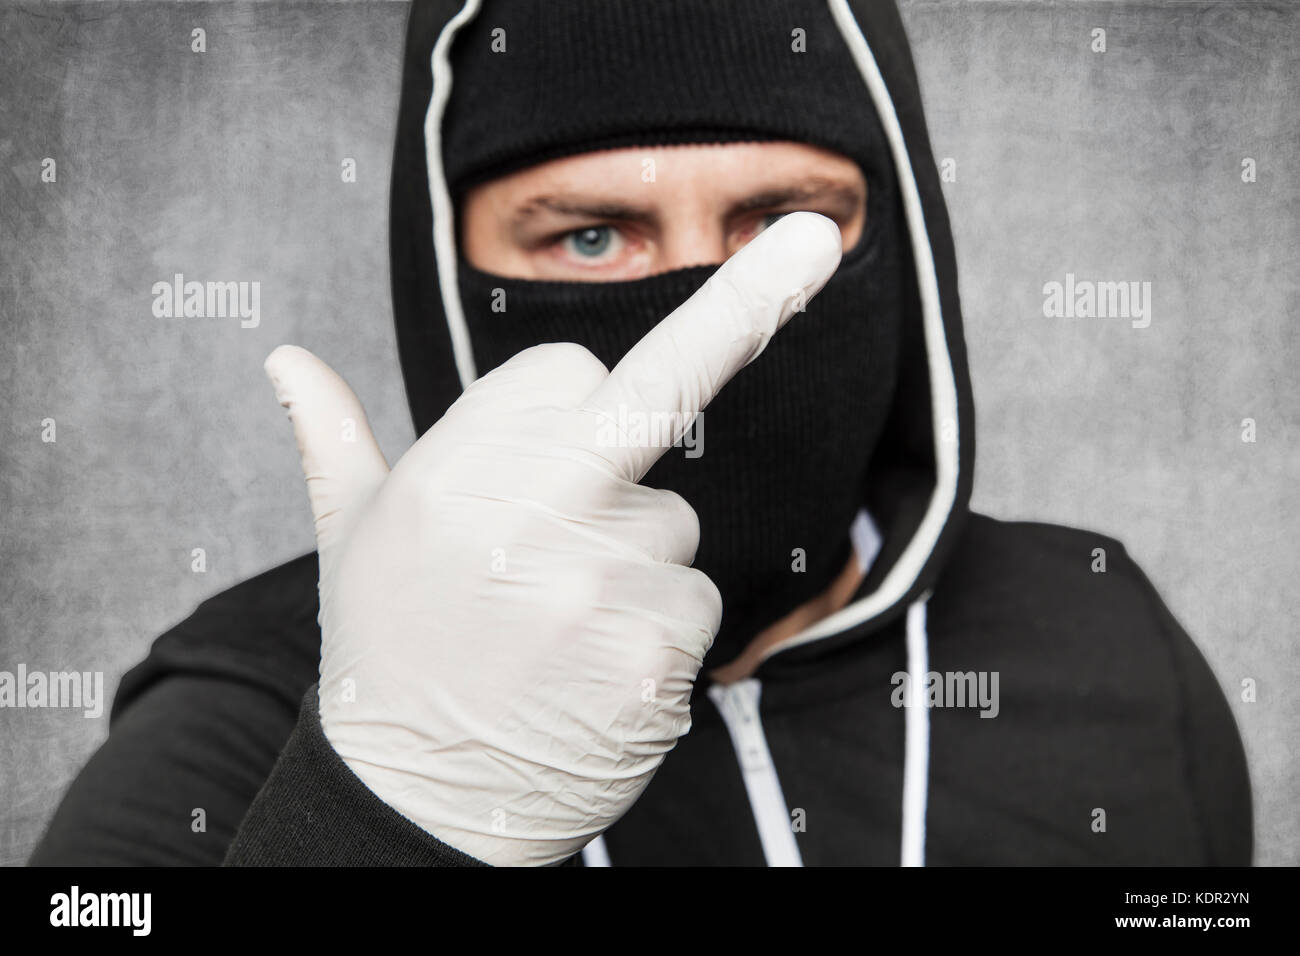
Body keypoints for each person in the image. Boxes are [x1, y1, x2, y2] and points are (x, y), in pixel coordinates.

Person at [30, 0, 1251, 867]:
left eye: (782, 222)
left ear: (904, 242)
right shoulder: (242, 721)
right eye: (592, 237)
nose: (709, 311)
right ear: (446, 286)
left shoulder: (1104, 632)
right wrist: (379, 818)